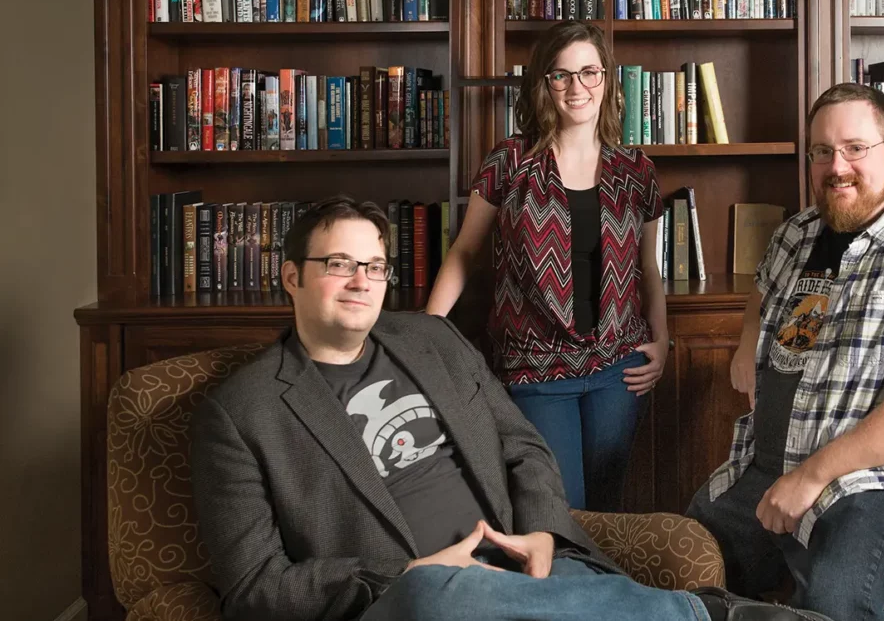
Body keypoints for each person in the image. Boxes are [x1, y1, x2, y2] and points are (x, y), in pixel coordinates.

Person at [189, 194, 832, 621]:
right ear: (292, 276)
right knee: (435, 599)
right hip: (402, 600)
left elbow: (521, 445)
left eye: (376, 266)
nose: (362, 281)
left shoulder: (430, 339)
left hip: (522, 569)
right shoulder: (242, 413)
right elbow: (254, 588)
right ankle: (705, 615)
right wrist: (408, 570)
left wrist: (545, 535)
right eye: (339, 264)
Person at [686, 83, 884, 621]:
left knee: (834, 596)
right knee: (685, 562)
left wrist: (810, 479)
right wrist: (746, 343)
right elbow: (762, 289)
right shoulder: (796, 234)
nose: (837, 166)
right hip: (774, 461)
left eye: (856, 147)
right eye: (822, 151)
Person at [425, 20, 668, 512]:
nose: (576, 88)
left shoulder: (636, 169)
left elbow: (649, 268)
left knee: (606, 512)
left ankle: (602, 593)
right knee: (557, 510)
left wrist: (662, 342)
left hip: (617, 369)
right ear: (543, 84)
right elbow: (464, 252)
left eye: (589, 73)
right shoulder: (510, 161)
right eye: (561, 75)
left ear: (607, 80)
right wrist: (425, 336)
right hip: (535, 369)